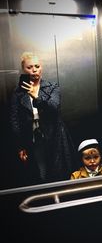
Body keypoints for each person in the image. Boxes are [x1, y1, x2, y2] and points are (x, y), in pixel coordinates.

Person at [10, 52, 76, 185]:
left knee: (58, 170)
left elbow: (54, 108)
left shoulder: (52, 87)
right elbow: (14, 120)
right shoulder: (18, 93)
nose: (34, 70)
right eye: (29, 67)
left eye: (37, 66)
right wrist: (20, 146)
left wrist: (36, 96)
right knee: (40, 172)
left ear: (42, 68)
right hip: (32, 139)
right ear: (23, 69)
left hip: (55, 136)